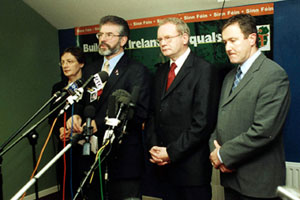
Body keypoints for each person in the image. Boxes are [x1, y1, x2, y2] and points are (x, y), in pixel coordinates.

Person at [65, 15, 151, 200]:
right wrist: (77, 116)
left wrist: (97, 124)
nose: (102, 39)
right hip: (90, 160)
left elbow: (139, 113)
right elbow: (83, 102)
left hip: (123, 160)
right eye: (101, 34)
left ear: (123, 40)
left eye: (109, 34)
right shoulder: (91, 70)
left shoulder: (137, 71)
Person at [209, 14, 291, 200]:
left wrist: (223, 155)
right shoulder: (230, 77)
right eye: (225, 42)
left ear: (252, 38)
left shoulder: (273, 75)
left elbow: (264, 130)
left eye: (233, 40)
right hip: (230, 179)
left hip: (258, 184)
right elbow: (220, 120)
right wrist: (216, 154)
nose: (227, 48)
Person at [146, 17, 218, 200]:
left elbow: (202, 124)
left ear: (185, 38)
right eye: (160, 39)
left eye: (168, 37)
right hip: (164, 168)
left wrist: (170, 152)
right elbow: (154, 113)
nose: (163, 43)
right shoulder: (161, 71)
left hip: (191, 172)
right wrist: (155, 148)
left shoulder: (204, 70)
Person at [48, 46, 85, 199]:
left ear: (81, 63)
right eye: (62, 62)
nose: (65, 65)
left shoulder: (90, 86)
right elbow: (52, 117)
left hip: (83, 145)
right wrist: (61, 130)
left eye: (70, 61)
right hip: (63, 145)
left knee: (82, 185)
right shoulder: (58, 88)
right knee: (65, 185)